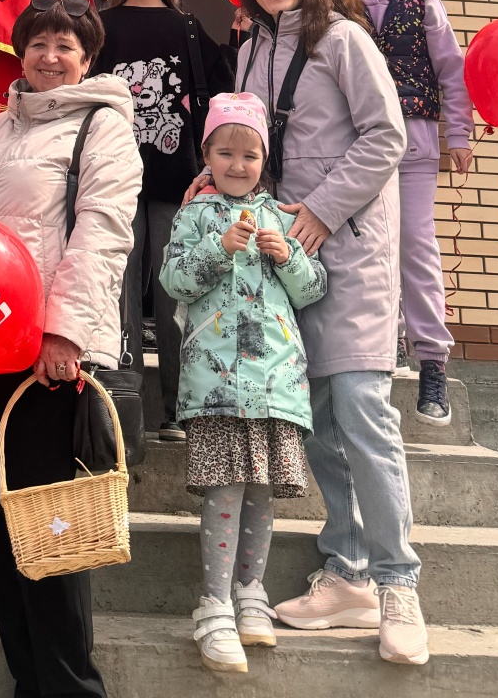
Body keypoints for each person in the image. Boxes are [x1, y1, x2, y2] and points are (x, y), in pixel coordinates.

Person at [227, 0, 429, 667]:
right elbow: (246, 149)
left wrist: (322, 211)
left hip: (350, 250)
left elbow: (386, 136)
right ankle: (346, 570)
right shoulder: (249, 51)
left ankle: (398, 582)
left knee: (360, 409)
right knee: (313, 420)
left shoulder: (343, 38)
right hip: (290, 260)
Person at [0, 0, 141, 698]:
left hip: (46, 358)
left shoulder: (103, 129)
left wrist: (65, 332)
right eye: (38, 44)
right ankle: (29, 678)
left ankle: (70, 686)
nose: (49, 57)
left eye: (66, 46)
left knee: (52, 536)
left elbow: (103, 231)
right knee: (1, 526)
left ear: (88, 60)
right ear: (19, 52)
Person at [161, 92, 326, 673]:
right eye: (225, 152)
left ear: (264, 159)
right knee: (225, 491)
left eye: (250, 155)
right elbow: (174, 280)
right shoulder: (194, 215)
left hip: (277, 385)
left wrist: (289, 257)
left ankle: (250, 592)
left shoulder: (283, 217)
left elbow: (311, 290)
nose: (238, 165)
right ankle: (213, 604)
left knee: (260, 493)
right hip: (215, 387)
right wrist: (217, 248)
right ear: (206, 154)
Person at [92, 0, 232, 442]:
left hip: (178, 182)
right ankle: (123, 405)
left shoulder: (188, 28)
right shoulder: (101, 27)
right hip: (115, 178)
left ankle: (175, 408)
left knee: (174, 292)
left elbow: (219, 96)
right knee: (120, 288)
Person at [349, 0, 473, 425]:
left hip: (417, 146)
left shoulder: (423, 1)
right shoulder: (341, 4)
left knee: (416, 248)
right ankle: (383, 346)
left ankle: (432, 362)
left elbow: (451, 70)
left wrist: (458, 135)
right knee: (368, 250)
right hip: (359, 149)